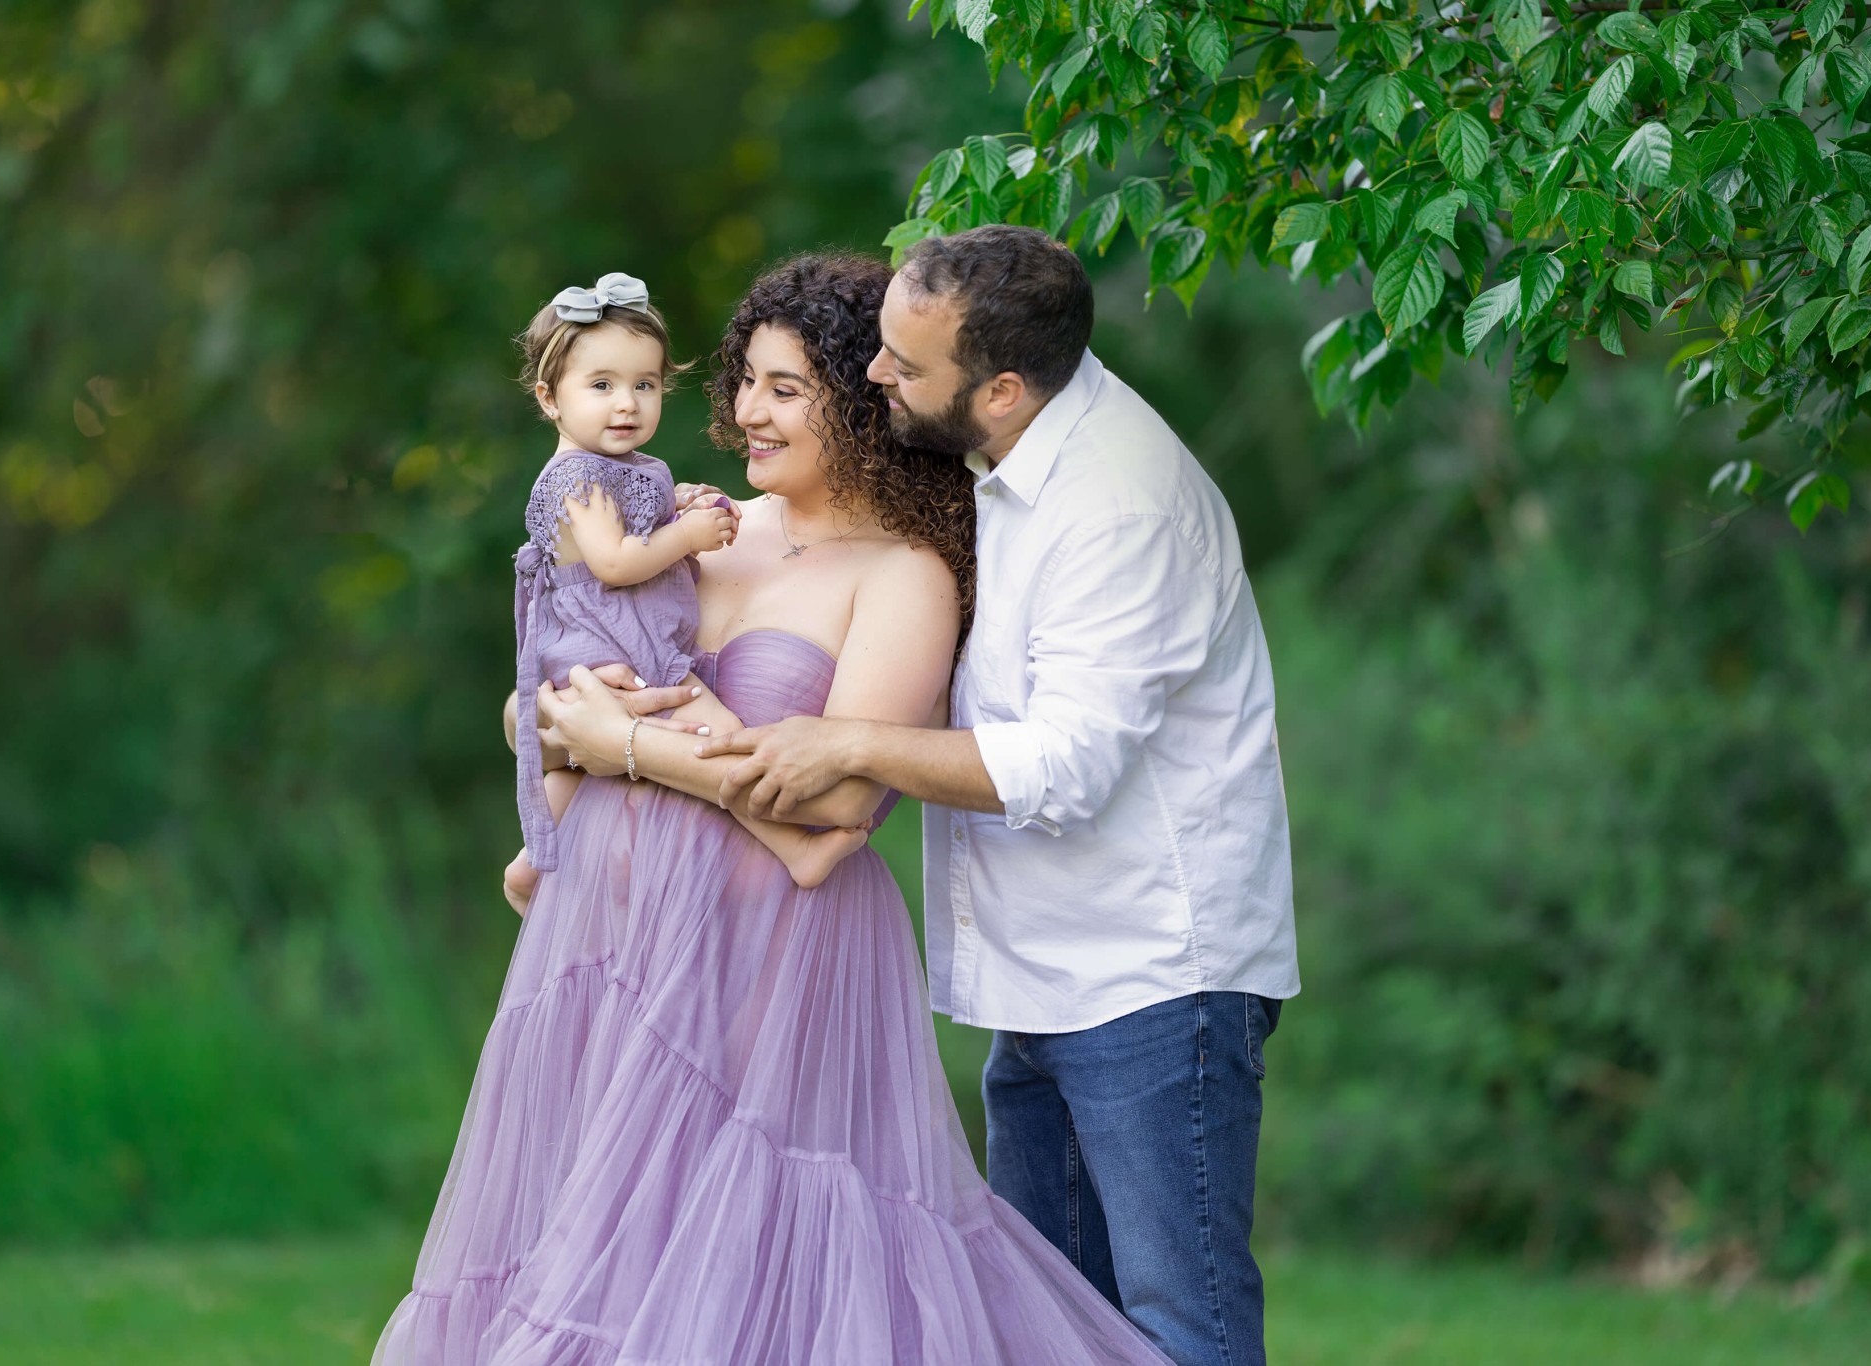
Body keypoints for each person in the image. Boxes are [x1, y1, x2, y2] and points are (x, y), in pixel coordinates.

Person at [374, 253, 1170, 1365]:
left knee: (742, 1264)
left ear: (856, 397)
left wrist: (631, 746)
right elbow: (555, 677)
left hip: (774, 964)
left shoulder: (903, 575)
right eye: (744, 379)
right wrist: (542, 722)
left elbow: (829, 814)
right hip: (613, 950)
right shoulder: (694, 529)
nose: (744, 409)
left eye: (785, 387)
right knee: (596, 1250)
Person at [697, 225, 1300, 1366]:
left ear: (1003, 389)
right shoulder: (1002, 467)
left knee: (1180, 1323)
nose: (875, 378)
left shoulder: (1116, 504)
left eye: (903, 368)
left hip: (1150, 978)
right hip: (1043, 976)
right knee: (1044, 1326)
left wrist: (850, 741)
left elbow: (1061, 768)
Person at [503, 270, 866, 890]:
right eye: (602, 385)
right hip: (612, 640)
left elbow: (637, 524)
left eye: (644, 384)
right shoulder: (577, 478)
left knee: (586, 766)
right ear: (549, 399)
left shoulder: (619, 468)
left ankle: (529, 867)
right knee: (720, 735)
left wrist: (678, 506)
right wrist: (686, 537)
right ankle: (795, 851)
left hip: (603, 641)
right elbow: (615, 563)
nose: (627, 403)